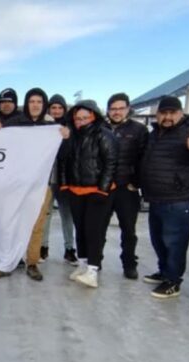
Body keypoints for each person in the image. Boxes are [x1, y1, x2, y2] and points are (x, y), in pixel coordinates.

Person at [141, 96, 189, 298]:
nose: (167, 117)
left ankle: (173, 281)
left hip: (181, 198)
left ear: (180, 113)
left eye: (172, 113)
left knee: (175, 241)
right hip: (157, 197)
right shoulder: (155, 133)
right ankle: (165, 272)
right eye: (163, 113)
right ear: (157, 115)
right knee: (158, 239)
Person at [0, 88, 57, 281]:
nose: (35, 105)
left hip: (41, 184)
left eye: (39, 102)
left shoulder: (51, 127)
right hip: (15, 183)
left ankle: (32, 262)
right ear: (27, 104)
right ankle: (7, 261)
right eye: (32, 101)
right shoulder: (14, 124)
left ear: (44, 105)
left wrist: (64, 135)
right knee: (9, 221)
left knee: (35, 224)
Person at [60, 100, 117, 288]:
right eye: (78, 118)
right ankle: (82, 264)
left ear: (93, 116)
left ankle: (93, 270)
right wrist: (64, 185)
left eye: (85, 117)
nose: (81, 121)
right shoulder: (72, 137)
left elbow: (111, 163)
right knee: (81, 230)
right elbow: (64, 161)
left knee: (94, 231)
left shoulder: (104, 134)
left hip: (97, 191)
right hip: (76, 190)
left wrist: (103, 189)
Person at [106, 93, 149, 280]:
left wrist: (136, 183)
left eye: (120, 108)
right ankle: (95, 262)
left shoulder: (139, 130)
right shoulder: (101, 128)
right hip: (105, 187)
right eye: (113, 108)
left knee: (128, 230)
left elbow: (145, 159)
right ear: (108, 110)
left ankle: (129, 264)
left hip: (127, 188)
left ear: (128, 109)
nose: (116, 112)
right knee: (97, 229)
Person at [42, 94, 77, 265]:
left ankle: (70, 249)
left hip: (64, 179)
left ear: (64, 110)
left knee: (66, 215)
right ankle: (43, 247)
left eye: (60, 108)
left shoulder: (70, 128)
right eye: (53, 107)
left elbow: (71, 153)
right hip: (46, 180)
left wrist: (67, 137)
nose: (56, 111)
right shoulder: (42, 126)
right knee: (45, 214)